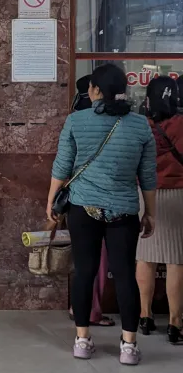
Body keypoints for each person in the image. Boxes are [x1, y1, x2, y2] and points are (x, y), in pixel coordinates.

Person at [47, 63, 157, 365]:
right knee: (124, 276)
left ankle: (82, 340)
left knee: (84, 272)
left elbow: (62, 166)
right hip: (124, 210)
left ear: (94, 90)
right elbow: (147, 176)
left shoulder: (76, 121)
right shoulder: (140, 125)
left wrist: (50, 202)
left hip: (83, 208)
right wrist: (150, 213)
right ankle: (129, 345)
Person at [135, 76, 183, 344]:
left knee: (146, 256)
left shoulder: (142, 125)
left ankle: (145, 315)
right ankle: (175, 323)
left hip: (146, 194)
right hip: (177, 194)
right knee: (176, 259)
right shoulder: (180, 124)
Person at [67, 75, 114, 328]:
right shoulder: (104, 119)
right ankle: (92, 311)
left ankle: (81, 315)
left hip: (77, 198)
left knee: (83, 263)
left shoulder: (75, 114)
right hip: (102, 199)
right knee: (99, 262)